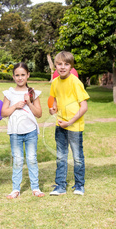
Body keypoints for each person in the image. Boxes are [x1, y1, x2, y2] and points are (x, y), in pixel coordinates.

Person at [1, 62, 44, 199]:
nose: (20, 78)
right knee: (18, 160)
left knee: (31, 159)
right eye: (17, 75)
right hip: (15, 132)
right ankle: (15, 189)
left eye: (23, 75)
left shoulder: (33, 93)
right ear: (13, 77)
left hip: (30, 131)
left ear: (28, 75)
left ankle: (35, 188)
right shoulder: (9, 93)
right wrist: (15, 106)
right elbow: (3, 113)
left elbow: (39, 114)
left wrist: (29, 102)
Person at [49, 51, 89, 196]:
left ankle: (79, 185)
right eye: (59, 64)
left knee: (77, 157)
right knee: (61, 156)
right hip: (60, 126)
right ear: (55, 66)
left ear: (71, 66)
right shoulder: (55, 82)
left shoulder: (76, 82)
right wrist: (53, 109)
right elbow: (55, 101)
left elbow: (84, 107)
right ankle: (60, 186)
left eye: (66, 64)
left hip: (75, 127)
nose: (62, 67)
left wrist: (69, 122)